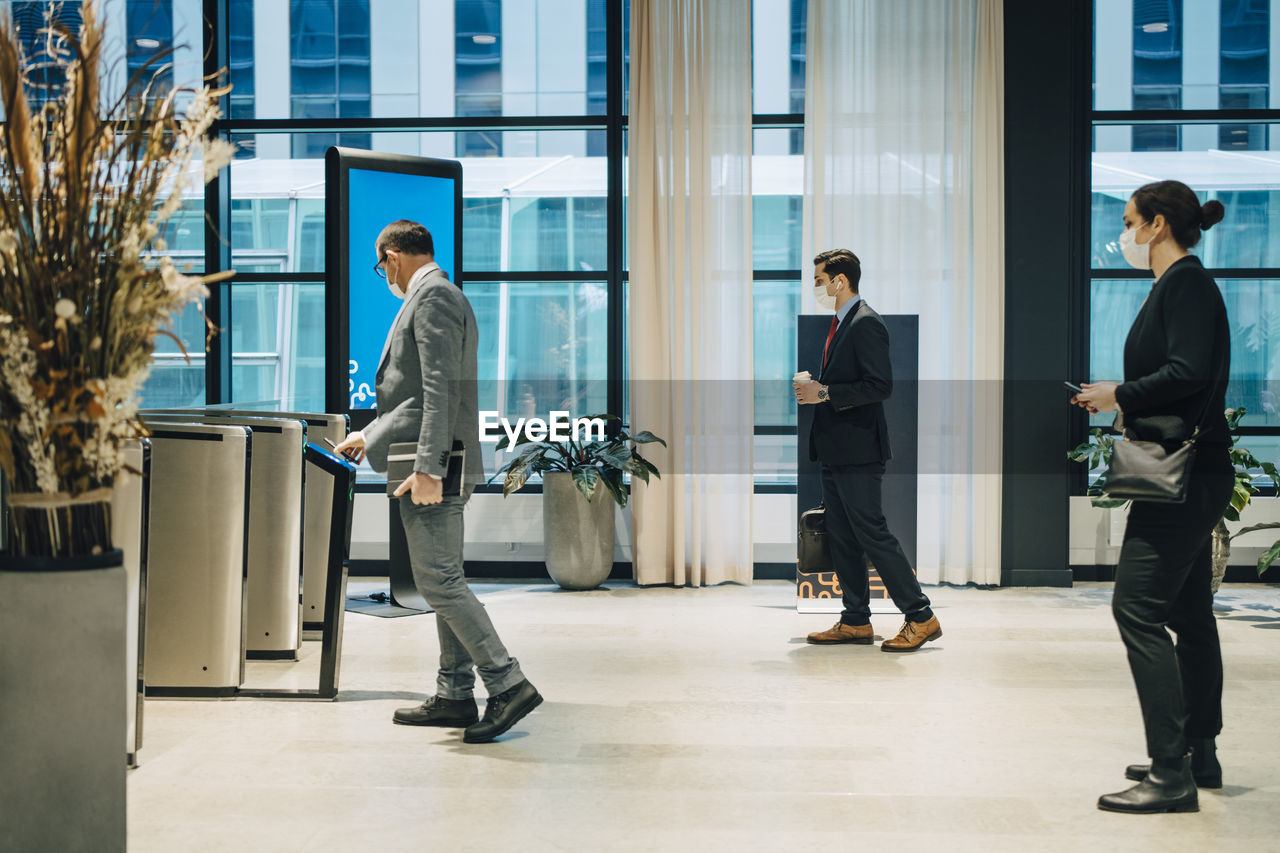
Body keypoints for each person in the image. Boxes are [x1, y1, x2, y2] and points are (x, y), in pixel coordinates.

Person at [334, 220, 542, 744]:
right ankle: (454, 694)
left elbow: (438, 390)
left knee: (439, 582)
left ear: (394, 255)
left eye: (382, 266)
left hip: (434, 464)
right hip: (426, 457)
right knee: (443, 577)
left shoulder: (432, 297)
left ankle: (507, 683)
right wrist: (370, 432)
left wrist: (428, 467)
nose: (384, 275)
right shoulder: (435, 295)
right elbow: (414, 399)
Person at [1072, 181, 1229, 814]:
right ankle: (1198, 750)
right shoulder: (1177, 285)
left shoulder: (1185, 283)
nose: (1126, 235)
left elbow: (1188, 372)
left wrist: (1120, 394)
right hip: (1190, 473)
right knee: (1188, 616)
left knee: (1135, 609)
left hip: (1181, 479)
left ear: (1158, 225)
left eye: (1132, 223)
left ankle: (1170, 773)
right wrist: (1121, 394)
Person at [794, 249, 941, 652]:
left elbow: (880, 386)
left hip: (859, 451)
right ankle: (855, 619)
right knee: (842, 536)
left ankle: (921, 617)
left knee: (873, 534)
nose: (818, 289)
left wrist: (822, 391)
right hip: (838, 450)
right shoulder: (842, 324)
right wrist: (817, 393)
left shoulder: (865, 323)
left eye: (820, 281)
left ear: (840, 281)